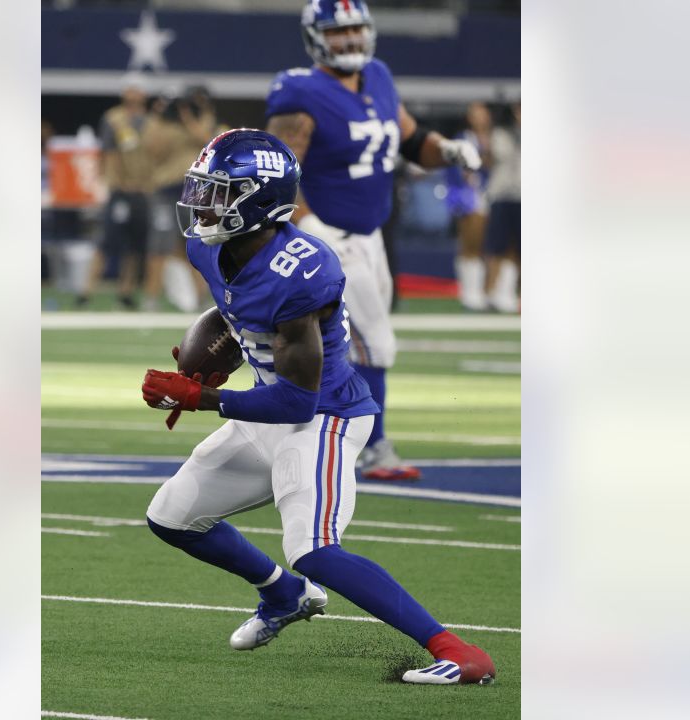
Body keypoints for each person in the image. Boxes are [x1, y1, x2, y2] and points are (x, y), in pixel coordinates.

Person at [140, 129, 495, 686]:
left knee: (313, 548)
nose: (203, 203)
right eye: (202, 188)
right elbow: (232, 310)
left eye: (219, 191)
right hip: (266, 409)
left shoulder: (303, 271)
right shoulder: (208, 246)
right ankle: (283, 594)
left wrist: (203, 397)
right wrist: (207, 356)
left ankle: (459, 651)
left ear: (260, 199)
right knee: (171, 517)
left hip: (321, 419)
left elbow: (296, 398)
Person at [264, 0, 482, 480]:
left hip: (371, 237)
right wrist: (306, 224)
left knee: (343, 347)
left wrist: (446, 149)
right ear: (316, 37)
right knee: (375, 346)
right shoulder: (300, 91)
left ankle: (315, 436)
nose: (351, 40)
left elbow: (409, 138)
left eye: (357, 29)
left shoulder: (378, 76)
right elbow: (277, 171)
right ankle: (373, 446)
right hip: (328, 239)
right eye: (339, 32)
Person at [143, 86, 219, 312]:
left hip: (192, 187)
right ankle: (151, 298)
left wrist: (189, 116)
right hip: (165, 188)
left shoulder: (205, 119)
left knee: (198, 241)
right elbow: (151, 147)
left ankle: (203, 298)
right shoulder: (162, 123)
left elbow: (206, 140)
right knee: (159, 245)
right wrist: (159, 115)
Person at [89, 75, 153, 310]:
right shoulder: (114, 119)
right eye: (130, 90)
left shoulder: (150, 122)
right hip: (119, 189)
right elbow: (108, 152)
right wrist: (113, 181)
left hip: (143, 189)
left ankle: (125, 291)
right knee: (106, 240)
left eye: (138, 90)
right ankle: (87, 291)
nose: (134, 94)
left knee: (135, 245)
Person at [447, 102, 495, 311]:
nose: (479, 119)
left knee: (494, 244)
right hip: (469, 195)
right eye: (475, 115)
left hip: (495, 192)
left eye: (482, 115)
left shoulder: (497, 137)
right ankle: (470, 291)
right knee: (470, 243)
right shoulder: (462, 138)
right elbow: (451, 165)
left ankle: (492, 291)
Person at [485, 101, 520, 313]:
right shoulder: (502, 133)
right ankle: (492, 292)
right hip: (502, 195)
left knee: (523, 249)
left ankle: (511, 293)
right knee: (497, 246)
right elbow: (501, 155)